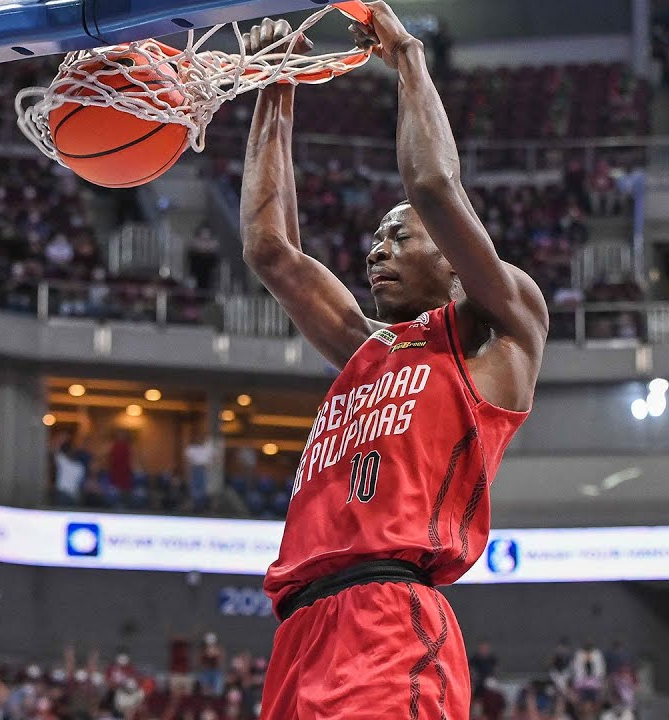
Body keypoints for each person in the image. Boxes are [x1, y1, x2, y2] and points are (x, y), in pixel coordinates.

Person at [239, 4, 546, 718]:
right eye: (374, 239)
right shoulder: (368, 347)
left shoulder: (499, 326)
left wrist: (407, 56)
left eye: (397, 236)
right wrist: (275, 85)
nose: (376, 249)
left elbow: (433, 188)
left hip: (389, 617)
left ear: (456, 255)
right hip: (299, 636)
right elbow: (269, 250)